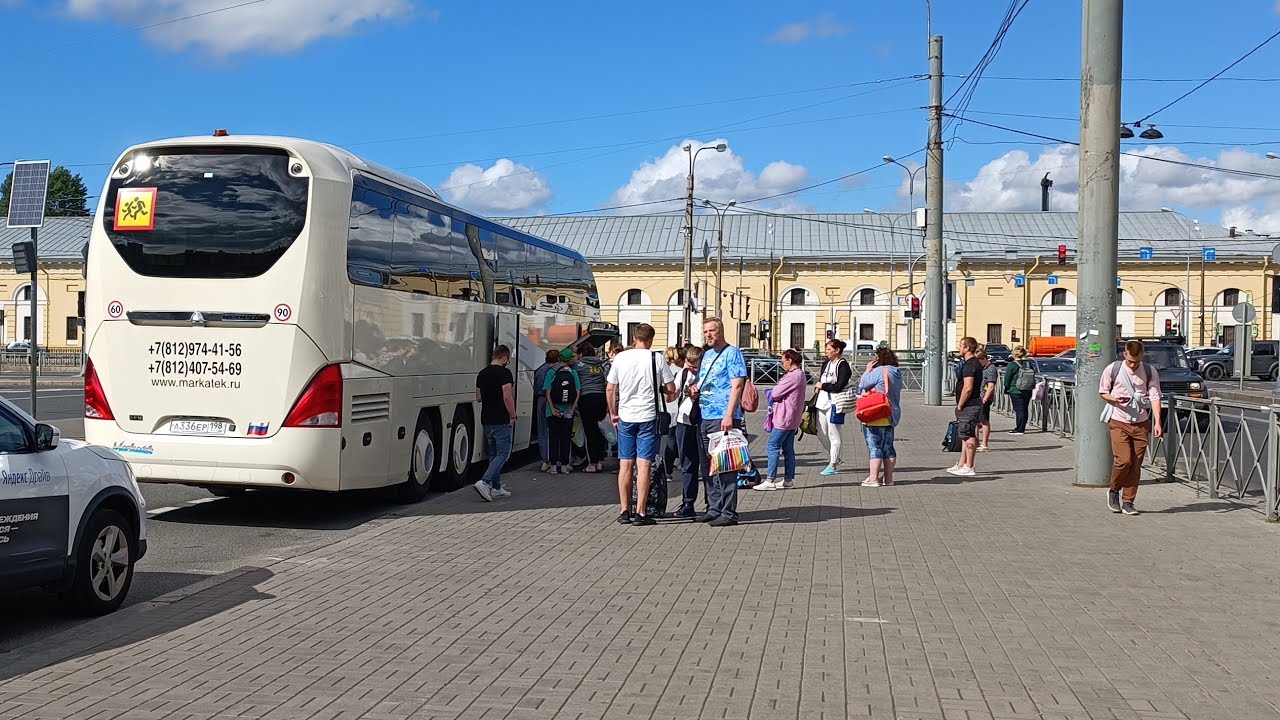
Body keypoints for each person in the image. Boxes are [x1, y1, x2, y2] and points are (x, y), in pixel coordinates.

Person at [606, 323, 675, 526]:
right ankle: (641, 513)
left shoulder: (620, 358)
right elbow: (670, 389)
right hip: (648, 417)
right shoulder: (657, 358)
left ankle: (624, 510)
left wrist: (613, 412)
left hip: (626, 417)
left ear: (634, 337)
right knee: (644, 466)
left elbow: (610, 389)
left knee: (625, 465)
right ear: (651, 339)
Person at [690, 318, 748, 527]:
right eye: (705, 331)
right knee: (708, 465)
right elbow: (704, 379)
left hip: (722, 416)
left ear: (721, 331)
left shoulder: (732, 353)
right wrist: (695, 388)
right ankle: (714, 507)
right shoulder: (706, 355)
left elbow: (737, 385)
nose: (708, 335)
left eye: (712, 331)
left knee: (725, 465)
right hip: (705, 415)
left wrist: (729, 414)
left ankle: (728, 512)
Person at [1099, 340, 1163, 516]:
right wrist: (1113, 399)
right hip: (1119, 421)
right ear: (1124, 355)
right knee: (1124, 460)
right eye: (1130, 361)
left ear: (1143, 356)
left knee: (1135, 464)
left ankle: (1128, 501)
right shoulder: (1113, 369)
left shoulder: (1149, 371)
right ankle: (1113, 490)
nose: (1133, 365)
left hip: (1141, 423)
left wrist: (1157, 422)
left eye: (1136, 361)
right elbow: (1103, 392)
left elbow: (1155, 397)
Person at [755, 349, 806, 491]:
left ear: (790, 360)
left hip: (784, 417)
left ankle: (770, 479)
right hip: (793, 418)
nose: (782, 364)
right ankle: (788, 479)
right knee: (788, 448)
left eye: (783, 361)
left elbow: (776, 393)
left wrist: (773, 390)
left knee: (773, 446)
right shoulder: (800, 374)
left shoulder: (792, 376)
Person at [474, 345, 517, 501]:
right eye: (508, 359)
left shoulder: (482, 373)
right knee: (503, 454)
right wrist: (513, 415)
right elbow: (507, 397)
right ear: (504, 358)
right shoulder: (505, 373)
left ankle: (496, 487)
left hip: (486, 418)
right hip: (501, 418)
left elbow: (478, 397)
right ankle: (484, 482)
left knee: (493, 453)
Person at [857, 347, 904, 487]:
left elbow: (862, 384)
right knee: (888, 447)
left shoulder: (880, 370)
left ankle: (873, 478)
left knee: (874, 446)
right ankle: (888, 478)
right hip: (891, 414)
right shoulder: (897, 372)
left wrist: (867, 370)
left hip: (876, 413)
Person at [672, 345, 704, 517]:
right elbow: (672, 393)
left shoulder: (706, 376)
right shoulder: (683, 374)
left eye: (694, 366)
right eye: (688, 364)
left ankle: (711, 505)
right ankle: (688, 504)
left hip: (702, 423)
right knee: (687, 465)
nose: (691, 368)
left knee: (706, 465)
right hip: (683, 423)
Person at [813, 338, 853, 476]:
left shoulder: (843, 365)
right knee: (820, 431)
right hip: (822, 401)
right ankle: (834, 456)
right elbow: (821, 379)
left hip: (836, 403)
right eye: (826, 350)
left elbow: (838, 386)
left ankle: (833, 463)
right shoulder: (826, 363)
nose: (827, 352)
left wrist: (823, 386)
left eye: (829, 350)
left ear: (837, 351)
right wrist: (819, 387)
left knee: (833, 432)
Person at [948, 337, 983, 477]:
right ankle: (962, 463)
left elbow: (968, 387)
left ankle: (969, 466)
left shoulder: (970, 365)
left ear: (968, 348)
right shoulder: (971, 363)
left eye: (961, 345)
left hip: (969, 405)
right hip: (971, 404)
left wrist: (960, 404)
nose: (959, 348)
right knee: (964, 435)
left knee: (968, 435)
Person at [543, 348, 580, 475]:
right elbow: (577, 392)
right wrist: (572, 408)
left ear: (559, 359)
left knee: (553, 438)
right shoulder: (573, 373)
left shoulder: (551, 372)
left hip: (552, 411)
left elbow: (547, 391)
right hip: (568, 411)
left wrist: (552, 408)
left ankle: (553, 466)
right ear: (570, 360)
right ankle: (564, 466)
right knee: (565, 438)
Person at [574, 342, 609, 473]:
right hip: (601, 398)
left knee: (590, 431)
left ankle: (592, 464)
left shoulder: (578, 365)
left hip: (586, 399)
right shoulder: (602, 364)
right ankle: (600, 461)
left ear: (581, 353)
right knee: (600, 430)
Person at [533, 348, 560, 472]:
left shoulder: (541, 370)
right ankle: (557, 458)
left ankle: (545, 460)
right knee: (556, 431)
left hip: (542, 401)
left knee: (543, 431)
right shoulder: (560, 370)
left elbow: (537, 387)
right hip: (558, 403)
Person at [1004, 346, 1033, 435]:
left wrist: (1006, 388)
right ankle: (1023, 427)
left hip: (1016, 390)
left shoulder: (1012, 365)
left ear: (1014, 354)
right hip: (1028, 389)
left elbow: (1007, 379)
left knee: (1019, 410)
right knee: (1025, 408)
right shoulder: (1028, 363)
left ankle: (1019, 429)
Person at [976, 349, 998, 452]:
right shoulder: (982, 368)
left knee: (984, 420)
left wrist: (985, 399)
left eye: (979, 361)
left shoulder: (991, 368)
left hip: (984, 398)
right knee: (975, 421)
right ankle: (976, 442)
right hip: (977, 397)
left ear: (983, 359)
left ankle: (984, 444)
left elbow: (991, 386)